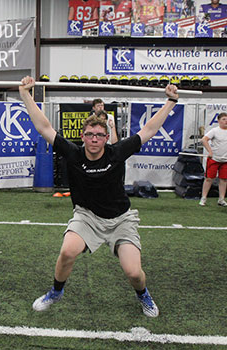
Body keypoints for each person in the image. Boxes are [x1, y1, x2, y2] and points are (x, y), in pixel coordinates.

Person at [19, 76, 179, 318]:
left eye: (99, 135)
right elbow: (44, 127)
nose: (94, 139)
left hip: (121, 220)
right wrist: (25, 95)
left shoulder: (117, 153)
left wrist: (170, 101)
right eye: (90, 134)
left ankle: (144, 295)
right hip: (87, 217)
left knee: (134, 273)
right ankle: (55, 291)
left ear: (106, 138)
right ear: (82, 136)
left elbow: (149, 129)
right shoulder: (73, 154)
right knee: (67, 252)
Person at [199, 112, 227, 207]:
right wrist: (210, 152)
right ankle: (203, 198)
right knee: (209, 179)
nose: (226, 121)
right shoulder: (215, 131)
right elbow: (204, 140)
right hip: (214, 159)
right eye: (223, 119)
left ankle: (221, 199)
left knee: (223, 180)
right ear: (219, 121)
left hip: (225, 161)